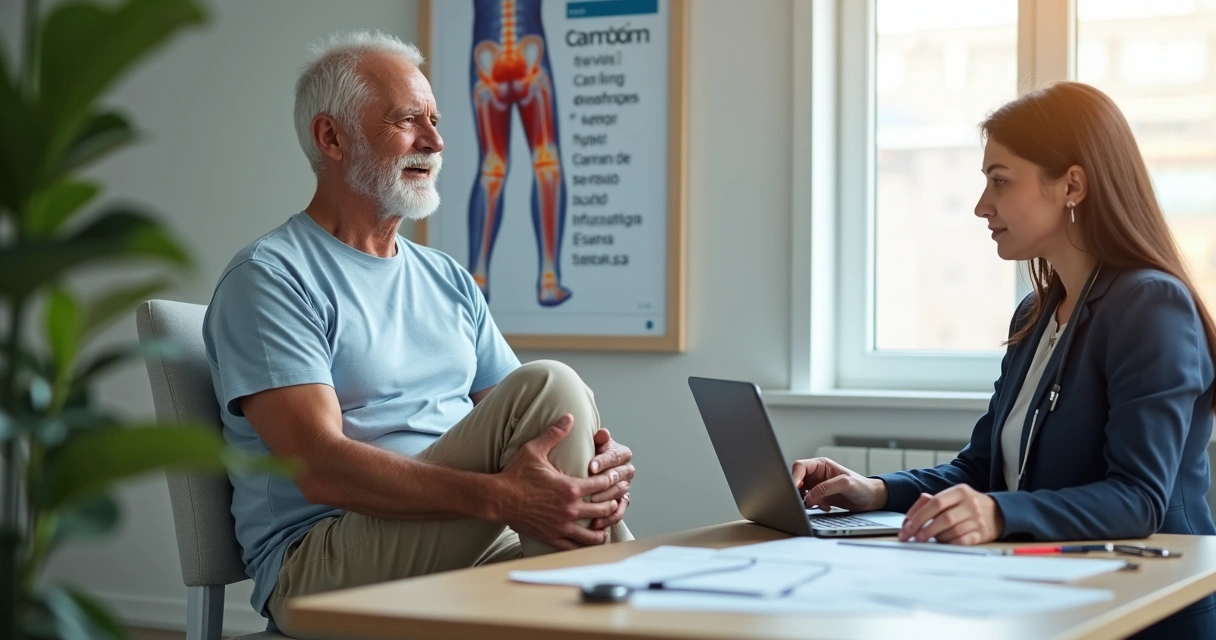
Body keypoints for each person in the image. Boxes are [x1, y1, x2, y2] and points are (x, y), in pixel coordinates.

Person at [201, 31, 634, 636]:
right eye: (409, 121)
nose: (435, 142)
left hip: (464, 544)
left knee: (569, 434)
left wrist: (592, 460)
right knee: (553, 386)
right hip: (321, 566)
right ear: (332, 137)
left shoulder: (447, 278)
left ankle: (632, 598)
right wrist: (504, 500)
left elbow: (538, 423)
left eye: (434, 120)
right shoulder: (270, 278)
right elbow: (318, 466)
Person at [791, 81, 1216, 638]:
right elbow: (981, 469)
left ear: (1072, 185)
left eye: (999, 181)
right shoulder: (1035, 316)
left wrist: (999, 514)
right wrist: (874, 491)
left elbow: (1138, 500)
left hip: (1147, 609)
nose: (980, 205)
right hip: (1055, 598)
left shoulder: (1150, 305)